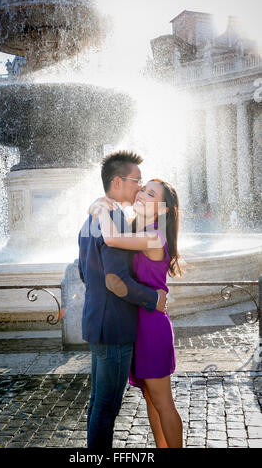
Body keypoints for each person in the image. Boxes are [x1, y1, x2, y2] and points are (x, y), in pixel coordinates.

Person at [78, 151, 168, 450]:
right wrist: (153, 297)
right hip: (115, 327)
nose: (139, 188)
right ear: (118, 181)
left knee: (97, 403)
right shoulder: (114, 219)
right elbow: (117, 283)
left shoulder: (92, 218)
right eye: (137, 181)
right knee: (106, 407)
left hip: (96, 322)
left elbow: (84, 271)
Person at [91, 178, 184, 448]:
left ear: (164, 209)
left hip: (152, 327)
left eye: (151, 193)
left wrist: (99, 207)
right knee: (151, 400)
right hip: (136, 324)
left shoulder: (154, 236)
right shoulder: (138, 229)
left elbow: (110, 237)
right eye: (143, 189)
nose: (142, 193)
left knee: (164, 402)